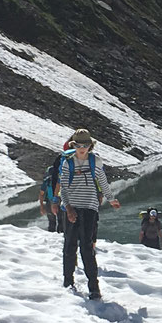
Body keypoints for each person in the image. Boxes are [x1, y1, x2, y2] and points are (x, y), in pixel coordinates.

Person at [57, 127, 120, 298]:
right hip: (72, 206)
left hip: (90, 206)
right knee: (69, 246)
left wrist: (111, 198)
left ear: (90, 146)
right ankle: (68, 282)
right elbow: (63, 188)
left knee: (86, 247)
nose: (82, 148)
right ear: (74, 145)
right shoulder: (67, 163)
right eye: (78, 145)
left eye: (85, 145)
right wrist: (68, 208)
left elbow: (102, 181)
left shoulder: (95, 161)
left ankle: (94, 287)